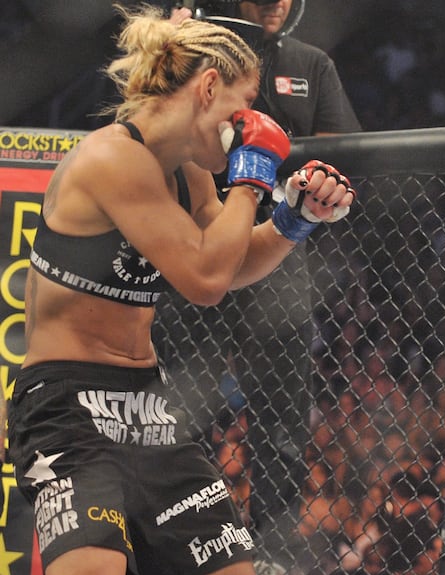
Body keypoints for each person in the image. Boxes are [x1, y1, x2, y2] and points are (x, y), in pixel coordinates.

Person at [7, 5, 355, 575]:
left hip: (146, 405)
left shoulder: (188, 171)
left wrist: (294, 219)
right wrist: (252, 178)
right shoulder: (112, 159)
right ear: (208, 87)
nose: (247, 125)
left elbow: (232, 260)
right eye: (241, 109)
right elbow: (203, 280)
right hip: (66, 404)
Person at [154, 0, 362, 534]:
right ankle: (174, 541)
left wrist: (300, 186)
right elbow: (154, 125)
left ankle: (272, 553)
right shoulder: (192, 55)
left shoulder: (310, 63)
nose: (274, 5)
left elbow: (347, 155)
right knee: (178, 405)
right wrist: (174, 53)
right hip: (192, 236)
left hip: (273, 241)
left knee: (283, 416)